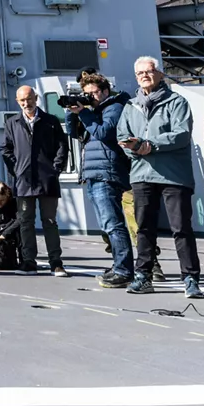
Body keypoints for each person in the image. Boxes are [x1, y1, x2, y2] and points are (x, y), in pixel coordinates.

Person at [116, 55, 203, 298]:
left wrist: (150, 145)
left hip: (174, 176)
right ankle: (143, 275)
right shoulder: (130, 106)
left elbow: (181, 134)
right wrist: (131, 145)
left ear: (161, 74)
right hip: (142, 174)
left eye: (149, 70)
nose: (144, 75)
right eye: (140, 73)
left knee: (181, 228)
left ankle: (190, 278)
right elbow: (121, 135)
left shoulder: (177, 102)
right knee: (144, 228)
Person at [66, 73, 132, 288]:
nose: (92, 97)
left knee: (113, 224)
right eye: (88, 94)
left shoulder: (114, 107)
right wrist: (72, 112)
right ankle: (118, 265)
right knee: (107, 225)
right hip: (94, 172)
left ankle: (124, 270)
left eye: (95, 93)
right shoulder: (94, 111)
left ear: (105, 91)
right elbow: (73, 134)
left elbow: (104, 133)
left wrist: (84, 112)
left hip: (107, 171)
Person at [1, 86, 69, 276]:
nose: (26, 103)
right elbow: (5, 149)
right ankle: (29, 261)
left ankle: (56, 262)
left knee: (49, 221)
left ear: (36, 98)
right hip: (24, 180)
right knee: (25, 221)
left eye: (29, 99)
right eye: (22, 100)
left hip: (47, 179)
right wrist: (16, 170)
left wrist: (55, 169)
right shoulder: (12, 122)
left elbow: (62, 147)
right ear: (17, 101)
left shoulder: (50, 121)